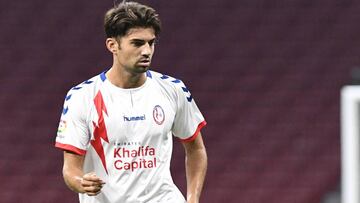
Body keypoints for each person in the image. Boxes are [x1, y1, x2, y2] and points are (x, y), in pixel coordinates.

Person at [54, 1, 207, 203]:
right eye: (137, 43)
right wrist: (80, 181)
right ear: (112, 45)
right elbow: (70, 168)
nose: (147, 51)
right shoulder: (82, 97)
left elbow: (196, 149)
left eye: (151, 43)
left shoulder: (173, 89)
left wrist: (193, 199)